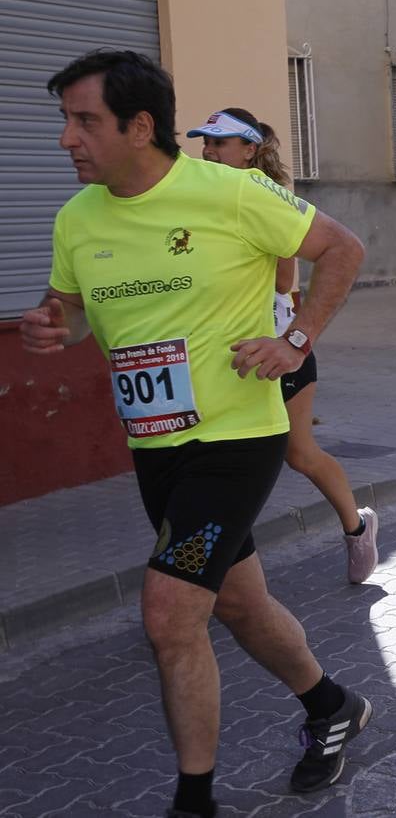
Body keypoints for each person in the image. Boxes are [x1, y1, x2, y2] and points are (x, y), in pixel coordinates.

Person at [20, 50, 372, 817]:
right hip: (155, 444)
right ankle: (331, 706)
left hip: (236, 436)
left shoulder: (232, 191)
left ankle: (195, 800)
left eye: (84, 121)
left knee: (169, 613)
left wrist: (297, 340)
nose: (66, 139)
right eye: (65, 121)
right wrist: (59, 326)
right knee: (238, 605)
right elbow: (73, 308)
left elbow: (342, 250)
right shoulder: (77, 217)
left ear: (139, 126)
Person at [190, 107, 379, 585]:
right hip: (225, 353)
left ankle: (357, 527)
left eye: (221, 145)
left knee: (299, 453)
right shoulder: (198, 198)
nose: (209, 153)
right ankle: (217, 566)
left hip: (277, 346)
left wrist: (292, 338)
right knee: (217, 456)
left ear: (249, 150)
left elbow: (285, 278)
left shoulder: (263, 197)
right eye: (206, 144)